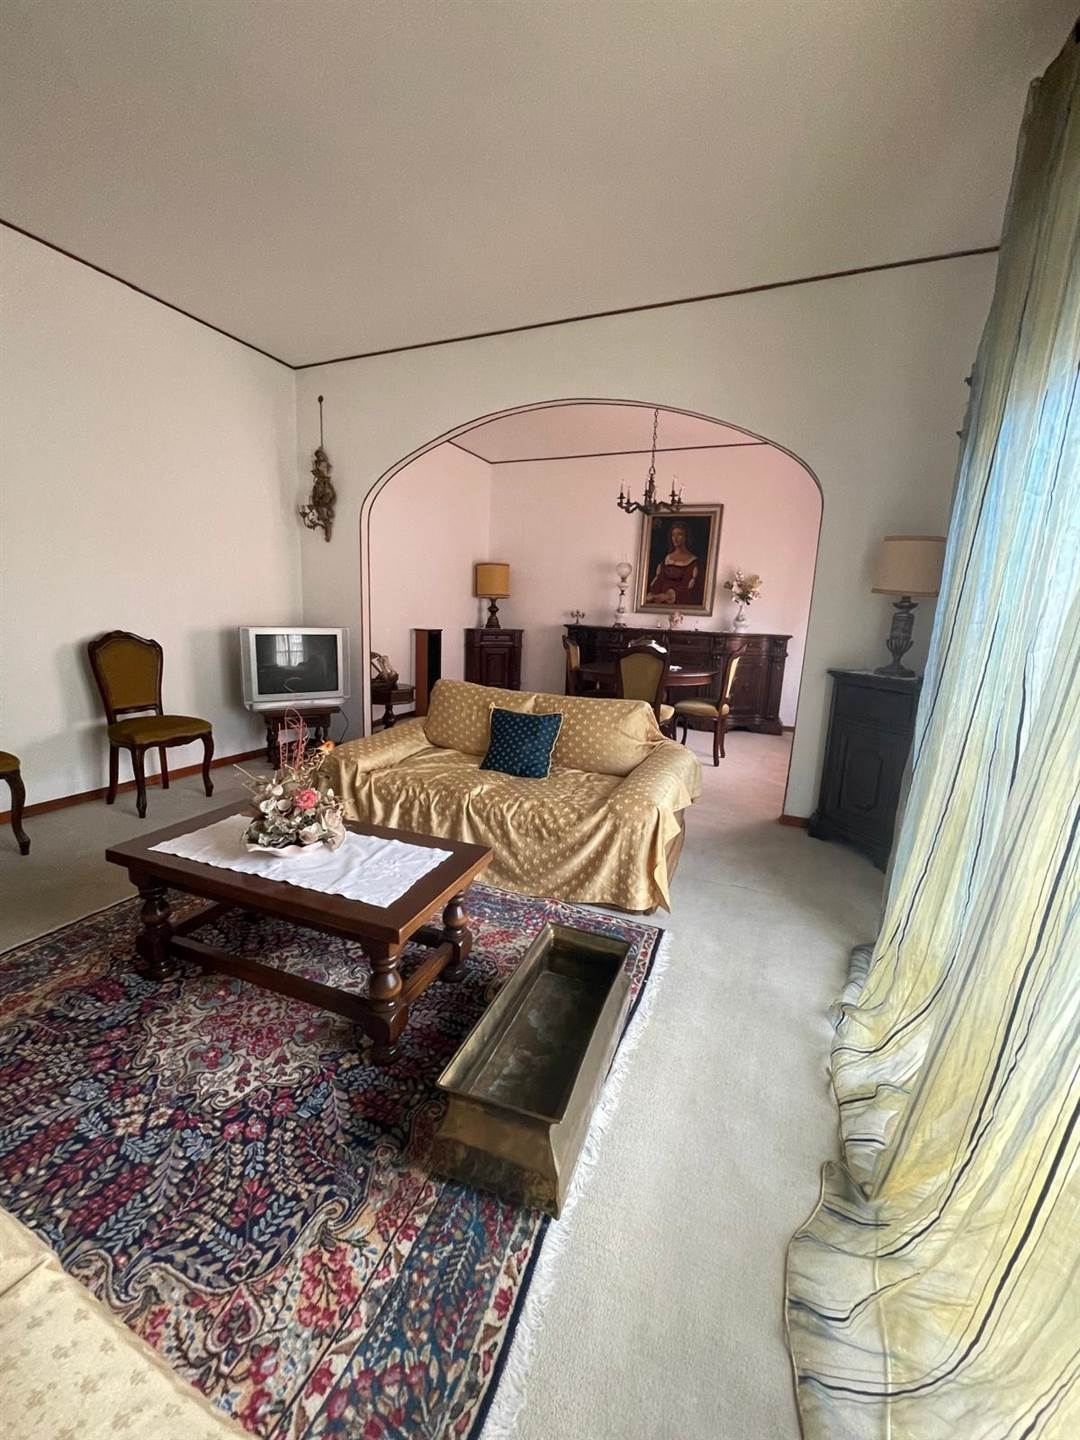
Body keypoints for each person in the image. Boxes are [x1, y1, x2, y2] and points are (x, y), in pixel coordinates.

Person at [646, 522, 702, 606]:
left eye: (679, 534)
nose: (675, 538)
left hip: (679, 603)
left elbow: (689, 588)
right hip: (661, 603)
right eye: (673, 535)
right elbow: (659, 580)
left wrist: (668, 596)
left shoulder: (693, 562)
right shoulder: (667, 559)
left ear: (686, 537)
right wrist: (653, 594)